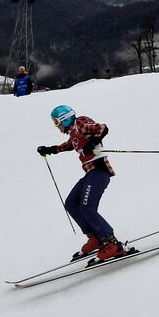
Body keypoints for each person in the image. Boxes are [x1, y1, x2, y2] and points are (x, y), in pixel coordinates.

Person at [37, 105, 131, 263]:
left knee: (87, 208)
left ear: (64, 119)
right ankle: (95, 238)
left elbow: (103, 129)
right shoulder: (74, 132)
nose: (56, 126)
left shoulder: (80, 123)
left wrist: (91, 143)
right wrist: (51, 149)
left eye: (56, 122)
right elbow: (70, 145)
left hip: (99, 170)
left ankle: (113, 243)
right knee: (71, 204)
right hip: (90, 173)